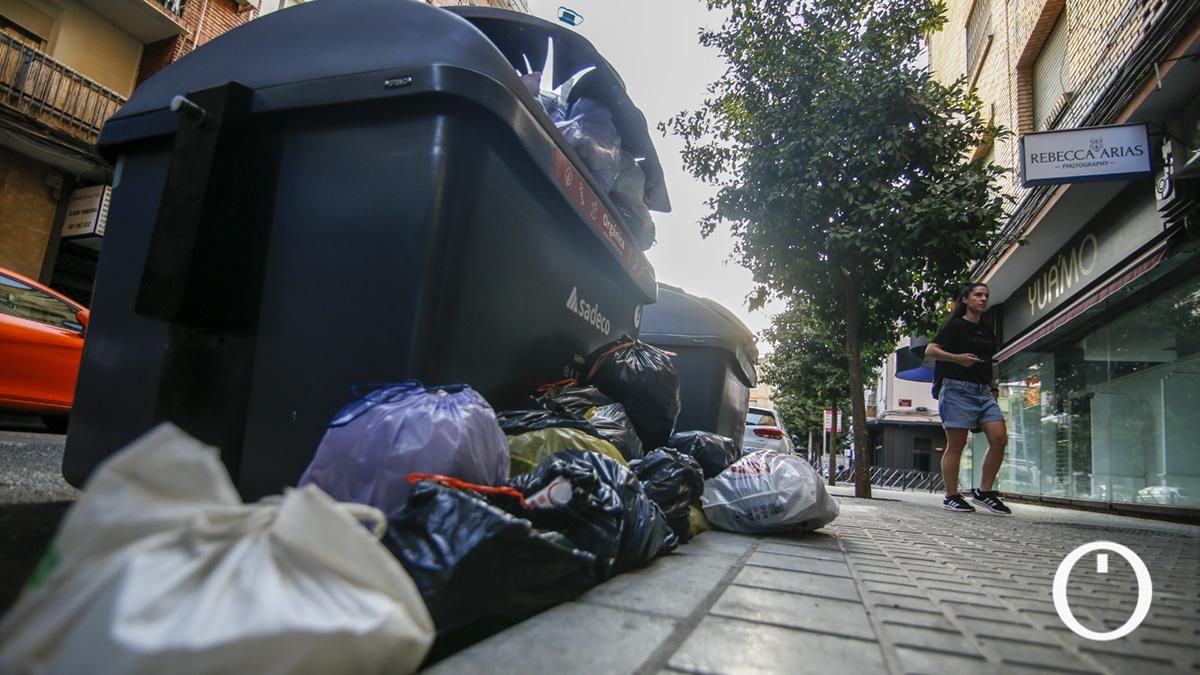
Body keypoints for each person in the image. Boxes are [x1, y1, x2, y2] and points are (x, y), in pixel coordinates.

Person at [926, 283, 1011, 514]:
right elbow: (930, 350)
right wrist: (958, 359)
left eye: (986, 296)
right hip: (956, 389)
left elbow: (990, 362)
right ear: (965, 299)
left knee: (999, 438)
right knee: (957, 444)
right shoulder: (955, 325)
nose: (983, 299)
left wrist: (993, 388)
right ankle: (951, 496)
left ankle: (984, 492)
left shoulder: (987, 330)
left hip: (984, 392)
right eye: (978, 295)